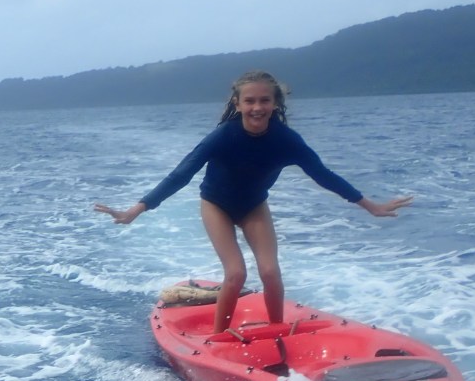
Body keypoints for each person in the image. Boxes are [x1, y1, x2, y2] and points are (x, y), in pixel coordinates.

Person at [94, 70, 413, 333]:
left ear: (275, 104)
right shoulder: (223, 136)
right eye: (250, 101)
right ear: (237, 103)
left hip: (253, 206)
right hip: (216, 205)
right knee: (236, 273)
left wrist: (369, 205)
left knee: (271, 272)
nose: (257, 107)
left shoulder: (286, 140)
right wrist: (136, 209)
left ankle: (277, 331)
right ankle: (219, 338)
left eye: (264, 101)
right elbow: (181, 174)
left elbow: (322, 174)